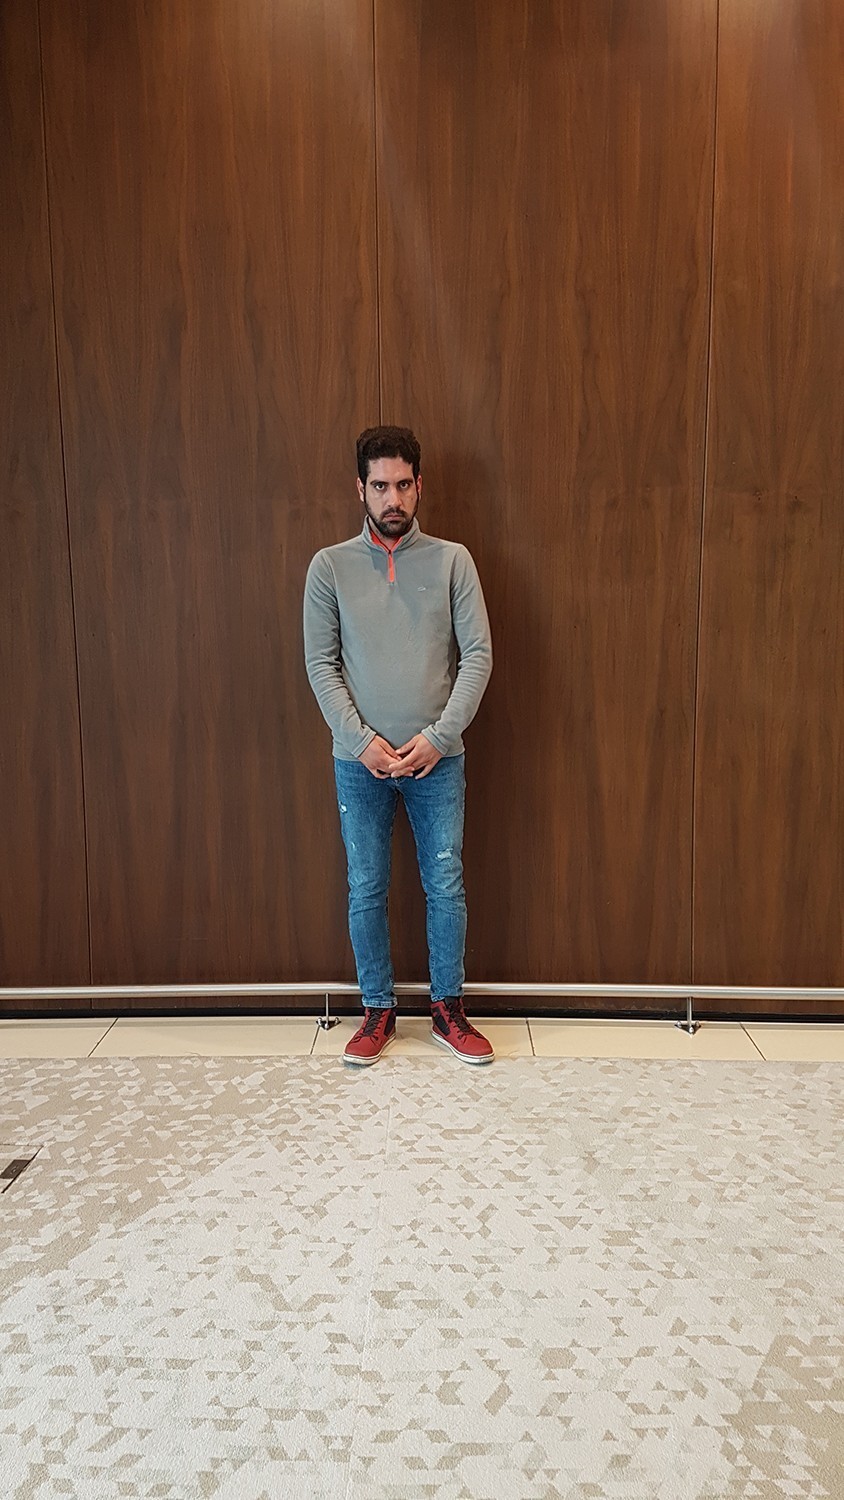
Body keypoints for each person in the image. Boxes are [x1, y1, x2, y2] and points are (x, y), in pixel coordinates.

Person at [303, 425, 494, 1067]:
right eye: (380, 486)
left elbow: (478, 656)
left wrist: (439, 738)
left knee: (445, 882)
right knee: (365, 885)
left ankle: (448, 1011)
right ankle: (377, 1011)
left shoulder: (453, 561)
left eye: (403, 485)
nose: (393, 499)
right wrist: (362, 744)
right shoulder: (329, 567)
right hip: (360, 763)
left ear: (419, 486)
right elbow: (321, 664)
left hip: (438, 760)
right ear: (360, 488)